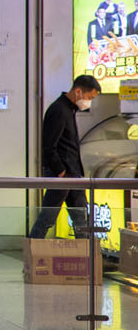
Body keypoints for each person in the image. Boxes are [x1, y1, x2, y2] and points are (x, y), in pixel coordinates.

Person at [29, 75, 102, 238]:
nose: (88, 102)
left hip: (72, 173)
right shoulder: (59, 110)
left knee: (81, 217)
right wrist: (60, 170)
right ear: (78, 91)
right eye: (89, 97)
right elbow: (49, 145)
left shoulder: (68, 110)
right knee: (48, 217)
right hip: (63, 174)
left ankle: (86, 250)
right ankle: (33, 247)